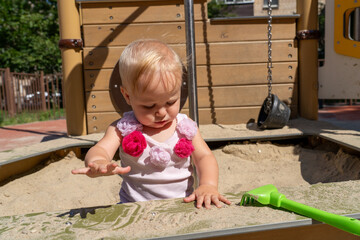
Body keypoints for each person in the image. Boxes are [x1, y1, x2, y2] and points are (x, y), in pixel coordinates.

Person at [72, 39, 231, 209]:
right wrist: (98, 161)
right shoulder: (122, 128)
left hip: (182, 205)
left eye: (170, 102)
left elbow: (204, 157)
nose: (161, 112)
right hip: (134, 208)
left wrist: (208, 185)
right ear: (127, 96)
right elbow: (101, 149)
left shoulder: (185, 127)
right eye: (149, 106)